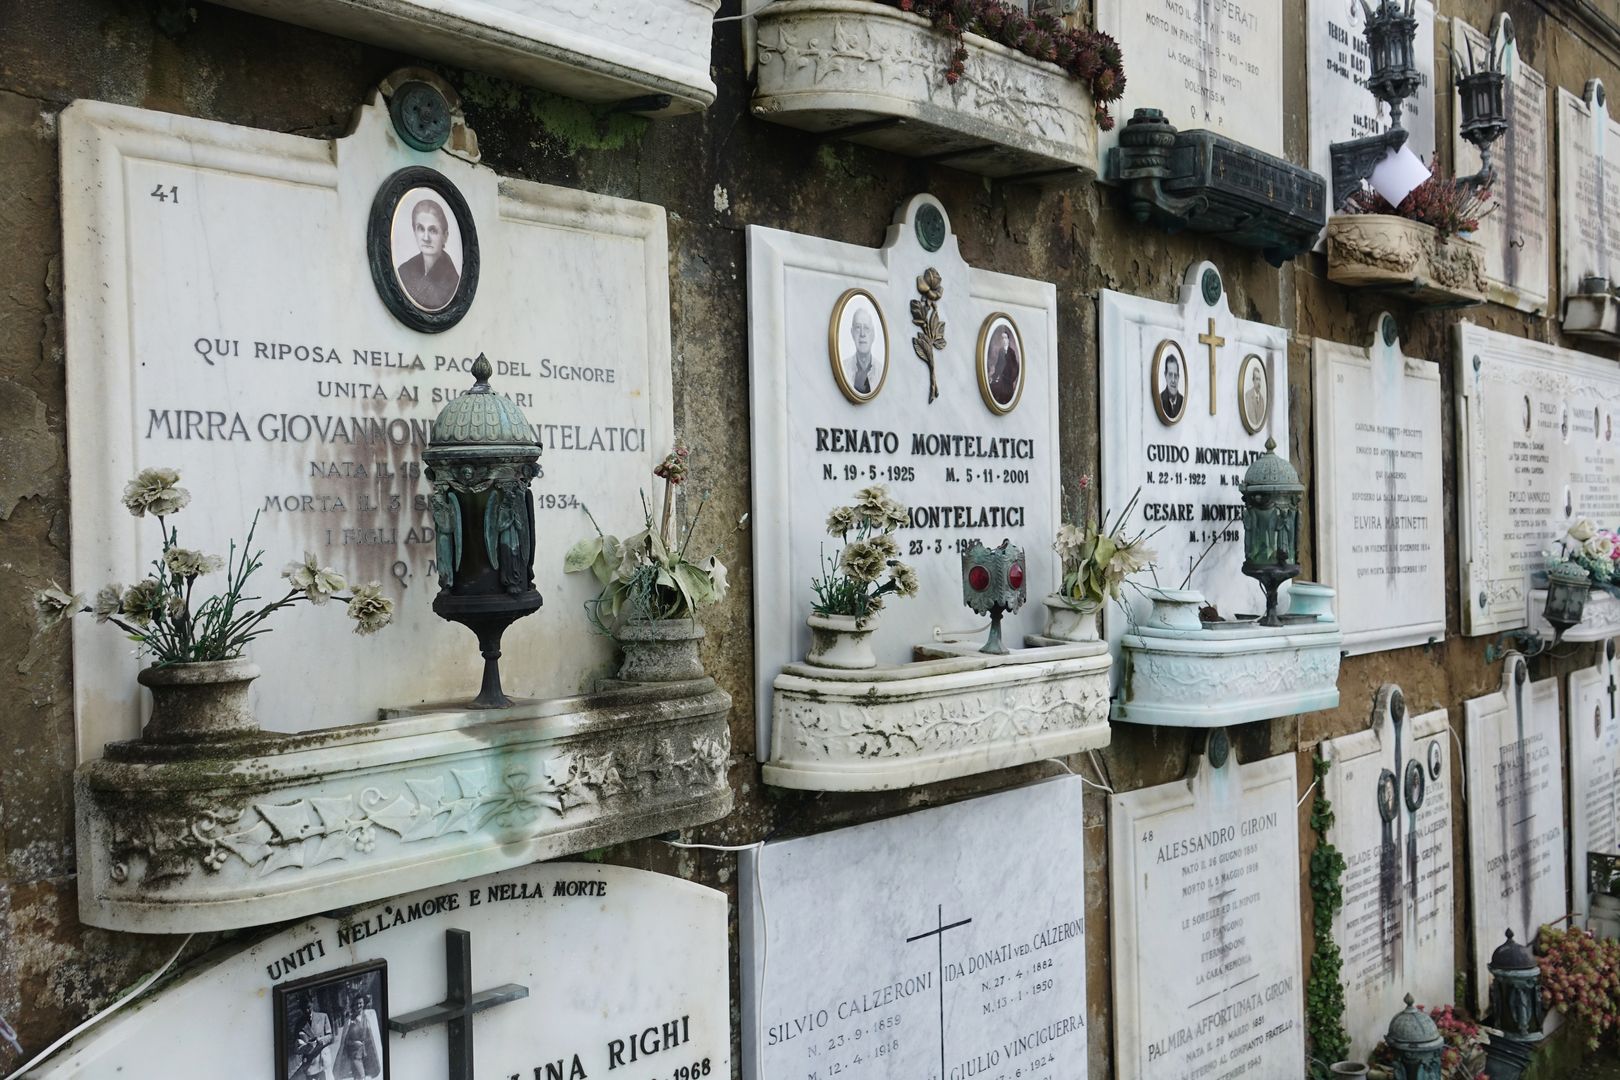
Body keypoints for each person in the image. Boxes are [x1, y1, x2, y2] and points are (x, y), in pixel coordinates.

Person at [396, 197, 459, 311]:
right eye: (420, 229)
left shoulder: (453, 283)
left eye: (433, 230)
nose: (426, 238)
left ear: (445, 236)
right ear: (414, 232)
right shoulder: (404, 271)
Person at [287, 998, 336, 1080]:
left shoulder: (323, 1016)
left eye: (309, 1007)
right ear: (301, 1009)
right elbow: (296, 1048)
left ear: (312, 1004)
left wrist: (319, 1040)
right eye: (304, 1009)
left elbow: (330, 1037)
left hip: (324, 1059)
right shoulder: (299, 1024)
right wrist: (306, 1047)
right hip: (310, 1063)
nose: (307, 1010)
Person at [848, 307, 879, 396]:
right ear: (852, 332)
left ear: (873, 334)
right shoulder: (844, 368)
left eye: (866, 328)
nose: (862, 334)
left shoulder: (881, 372)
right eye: (858, 327)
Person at [987, 325, 1020, 405]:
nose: (1004, 340)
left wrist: (1011, 379)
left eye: (1005, 338)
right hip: (1002, 379)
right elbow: (998, 366)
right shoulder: (1001, 351)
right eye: (1002, 338)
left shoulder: (1011, 352)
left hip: (1008, 381)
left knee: (1007, 398)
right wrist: (993, 377)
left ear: (1008, 340)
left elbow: (1015, 368)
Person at [1159, 350, 1184, 421]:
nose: (1173, 380)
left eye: (1175, 375)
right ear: (1165, 375)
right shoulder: (1160, 399)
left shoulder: (1182, 401)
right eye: (1170, 375)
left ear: (1178, 377)